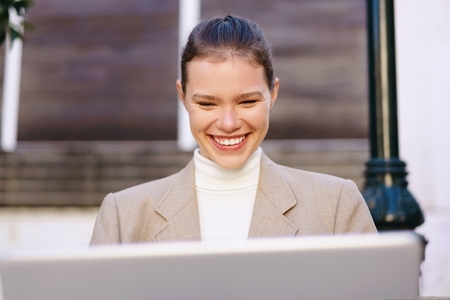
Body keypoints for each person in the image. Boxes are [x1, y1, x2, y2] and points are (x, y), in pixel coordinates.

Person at [90, 15, 376, 245]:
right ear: (183, 96)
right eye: (207, 104)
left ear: (273, 93)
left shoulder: (336, 207)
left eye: (248, 101)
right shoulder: (123, 218)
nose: (228, 123)